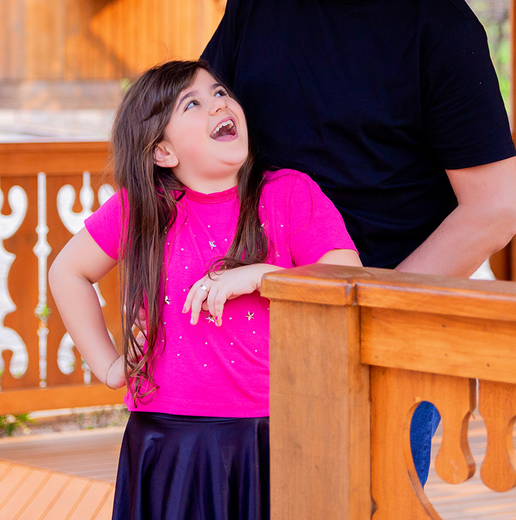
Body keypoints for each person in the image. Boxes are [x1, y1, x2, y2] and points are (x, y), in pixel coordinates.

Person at [201, 0, 516, 485]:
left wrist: (367, 307)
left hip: (376, 328)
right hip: (250, 312)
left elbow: (496, 208)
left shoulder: (443, 32)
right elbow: (203, 113)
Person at [49, 59, 360, 520]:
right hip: (167, 437)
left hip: (274, 429)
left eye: (218, 93)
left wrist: (257, 275)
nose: (218, 105)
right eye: (192, 103)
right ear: (162, 153)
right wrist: (111, 367)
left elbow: (346, 277)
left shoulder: (289, 193)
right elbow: (66, 272)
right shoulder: (142, 209)